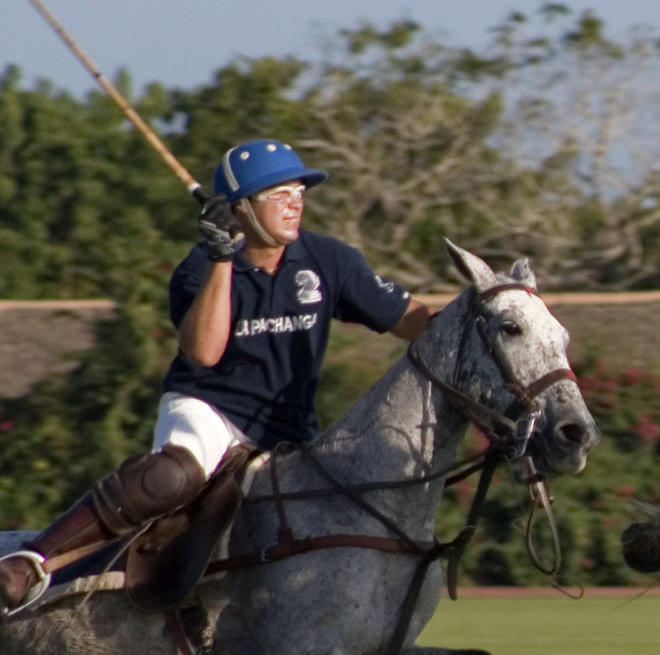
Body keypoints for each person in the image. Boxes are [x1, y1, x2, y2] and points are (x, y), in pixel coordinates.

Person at [0, 139, 431, 620]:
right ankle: (31, 561)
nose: (296, 203)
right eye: (280, 194)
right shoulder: (199, 268)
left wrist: (492, 313)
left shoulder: (330, 260)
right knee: (174, 475)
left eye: (300, 192)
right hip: (210, 411)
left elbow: (410, 320)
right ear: (241, 208)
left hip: (290, 428)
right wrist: (224, 259)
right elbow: (204, 352)